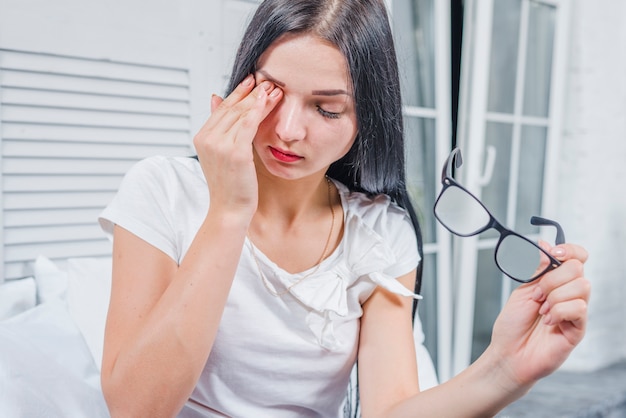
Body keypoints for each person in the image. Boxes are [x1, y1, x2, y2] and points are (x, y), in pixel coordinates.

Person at [98, 0, 590, 416]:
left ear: (365, 119)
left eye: (327, 108)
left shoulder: (379, 231)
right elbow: (136, 406)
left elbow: (390, 408)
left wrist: (505, 368)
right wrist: (229, 212)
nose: (289, 129)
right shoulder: (162, 188)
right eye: (271, 92)